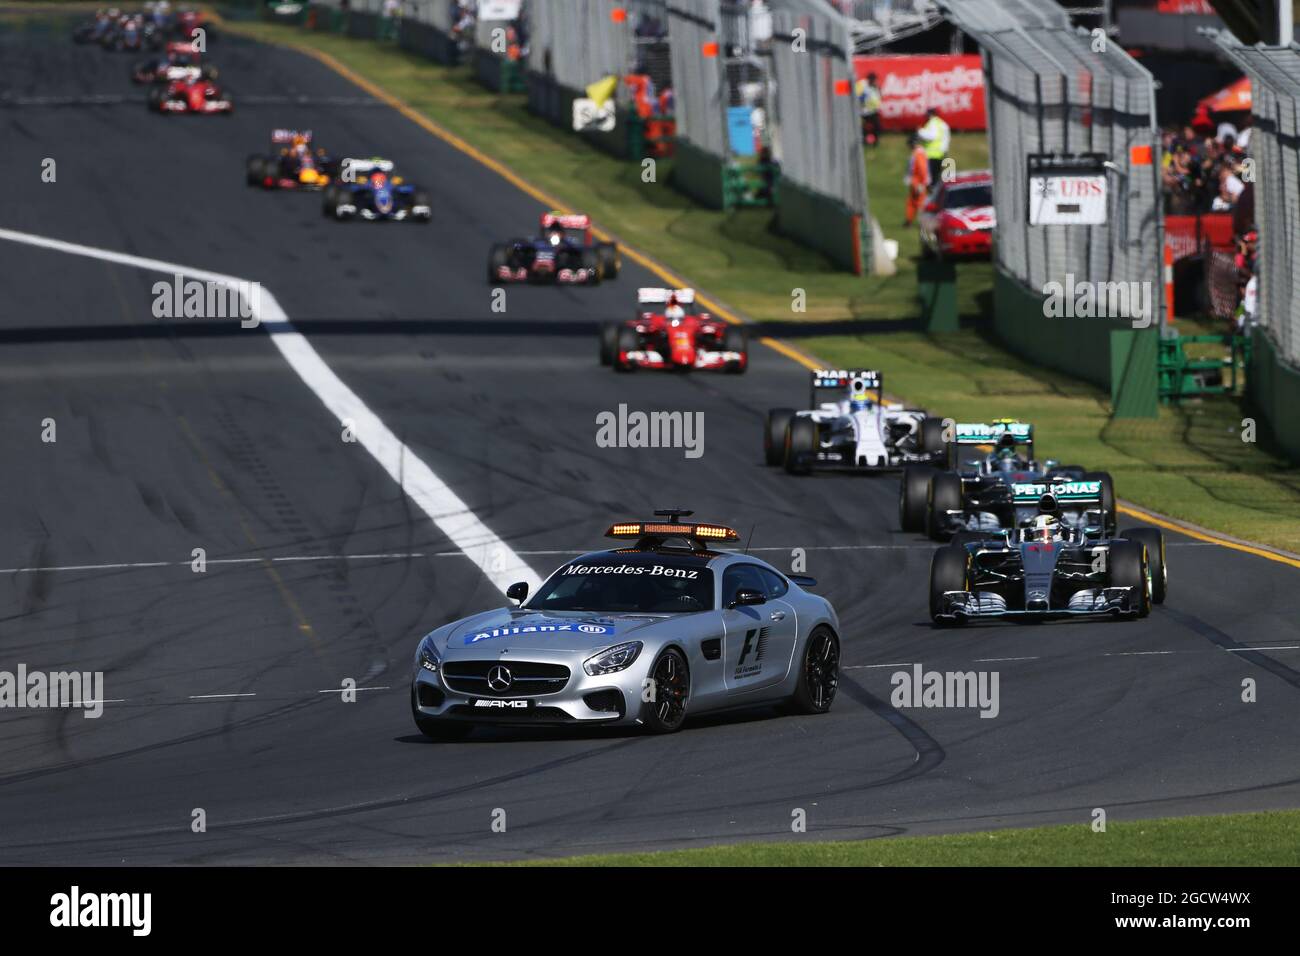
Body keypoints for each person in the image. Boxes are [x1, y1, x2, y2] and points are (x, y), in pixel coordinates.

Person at [917, 107, 950, 185]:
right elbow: (946, 138)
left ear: (930, 114)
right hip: (940, 154)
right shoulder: (942, 123)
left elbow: (932, 136)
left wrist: (920, 132)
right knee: (937, 178)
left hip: (931, 155)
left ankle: (932, 191)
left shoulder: (932, 123)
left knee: (931, 179)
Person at [904, 134, 930, 226]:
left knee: (920, 203)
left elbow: (922, 169)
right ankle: (909, 220)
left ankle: (922, 222)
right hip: (916, 181)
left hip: (918, 182)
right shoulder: (918, 153)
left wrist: (922, 183)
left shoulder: (919, 154)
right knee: (912, 201)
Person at [856, 71, 882, 147]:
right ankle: (864, 141)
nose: (874, 81)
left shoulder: (875, 87)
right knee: (862, 128)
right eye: (873, 80)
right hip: (861, 111)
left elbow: (878, 98)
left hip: (872, 111)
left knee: (877, 127)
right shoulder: (862, 84)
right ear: (869, 79)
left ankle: (874, 142)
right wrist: (862, 100)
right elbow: (856, 95)